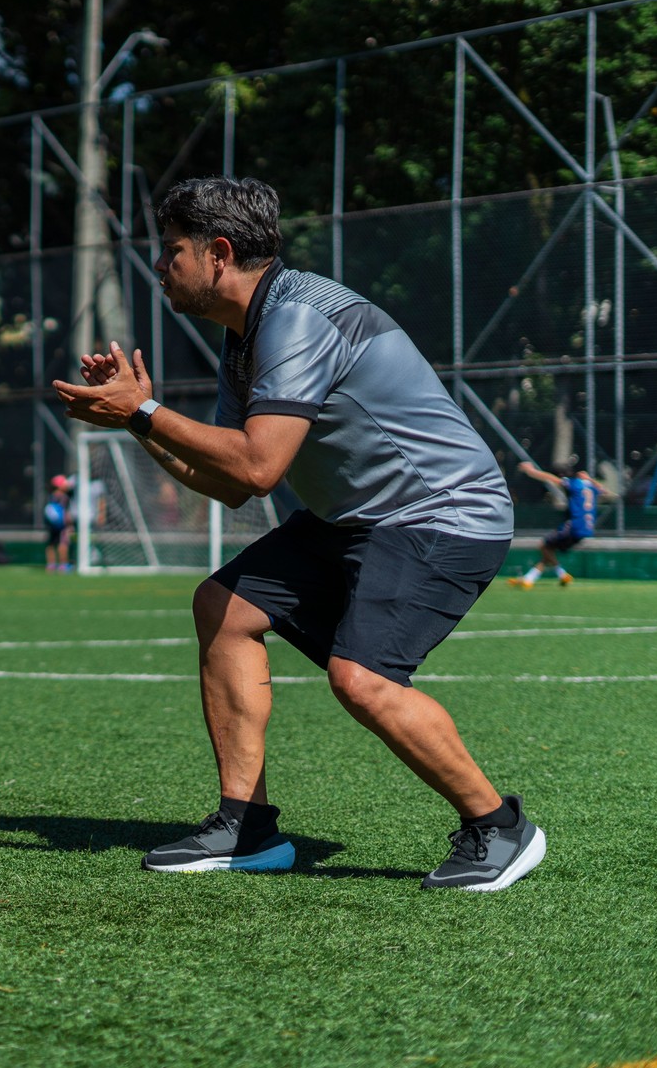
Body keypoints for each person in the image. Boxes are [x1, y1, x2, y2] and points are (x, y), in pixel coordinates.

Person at [53, 176, 544, 892]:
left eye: (172, 251)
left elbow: (256, 464)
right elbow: (230, 484)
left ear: (219, 253)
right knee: (222, 608)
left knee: (363, 679)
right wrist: (135, 417)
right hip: (355, 518)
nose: (161, 267)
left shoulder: (297, 319)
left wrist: (147, 407)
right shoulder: (243, 336)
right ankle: (246, 825)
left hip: (441, 514)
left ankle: (499, 826)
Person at [509, 459, 611, 589]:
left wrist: (531, 471)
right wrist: (590, 479)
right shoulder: (591, 486)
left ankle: (562, 574)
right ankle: (529, 579)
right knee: (549, 550)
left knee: (543, 546)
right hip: (587, 528)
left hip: (574, 525)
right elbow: (605, 491)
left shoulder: (574, 484)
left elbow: (551, 478)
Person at [42, 475, 74, 573]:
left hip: (51, 524)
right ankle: (63, 565)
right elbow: (66, 512)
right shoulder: (64, 497)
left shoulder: (51, 496)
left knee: (51, 544)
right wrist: (70, 524)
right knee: (63, 543)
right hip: (62, 524)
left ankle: (51, 565)